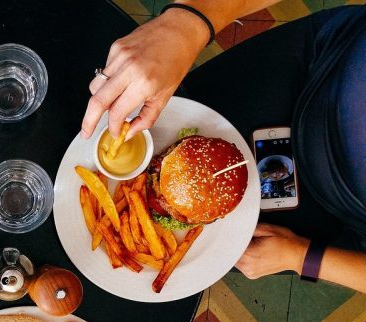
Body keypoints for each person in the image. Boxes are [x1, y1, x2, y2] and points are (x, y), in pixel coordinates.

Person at [80, 1, 366, 293]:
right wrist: (186, 25)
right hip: (321, 57)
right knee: (188, 96)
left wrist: (303, 257)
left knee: (225, 250)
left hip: (331, 211)